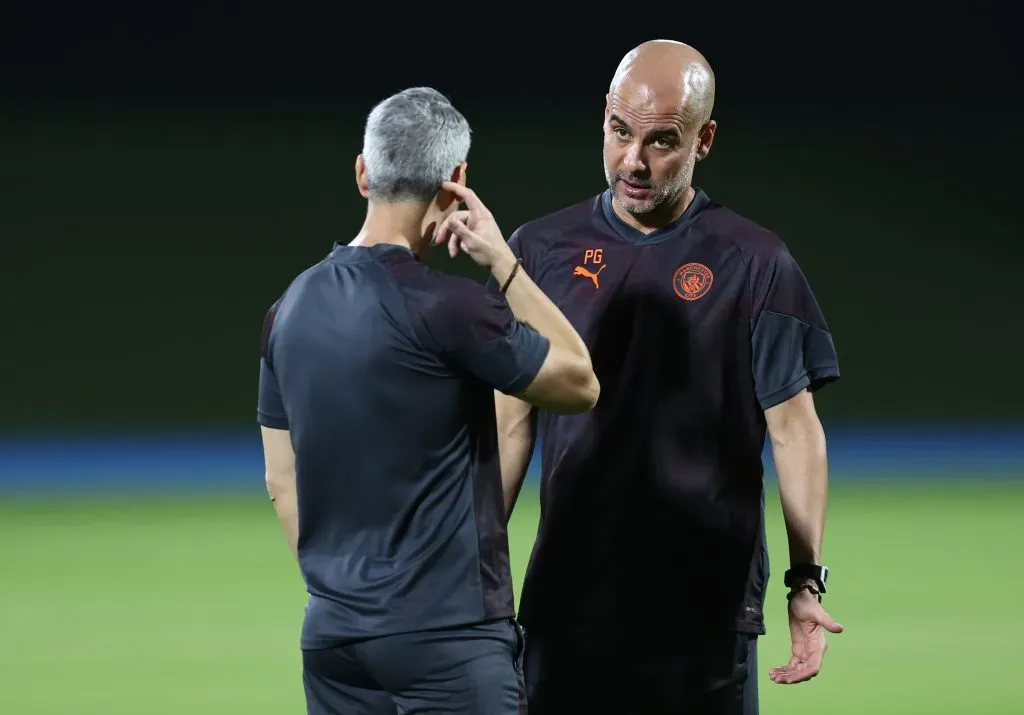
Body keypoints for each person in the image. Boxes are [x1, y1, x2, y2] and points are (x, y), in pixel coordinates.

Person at [490, 40, 845, 715]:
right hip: (570, 607)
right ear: (603, 118)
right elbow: (509, 424)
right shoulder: (538, 252)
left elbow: (796, 432)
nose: (634, 160)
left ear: (704, 139)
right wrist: (471, 578)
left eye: (661, 142)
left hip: (706, 616)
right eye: (621, 132)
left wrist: (805, 581)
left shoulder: (755, 261)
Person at [255, 86, 599, 715]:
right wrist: (503, 263)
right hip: (448, 639)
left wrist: (348, 598)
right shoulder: (449, 305)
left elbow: (282, 481)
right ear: (457, 180)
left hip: (333, 640)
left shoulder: (287, 311)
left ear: (363, 172)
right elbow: (579, 382)